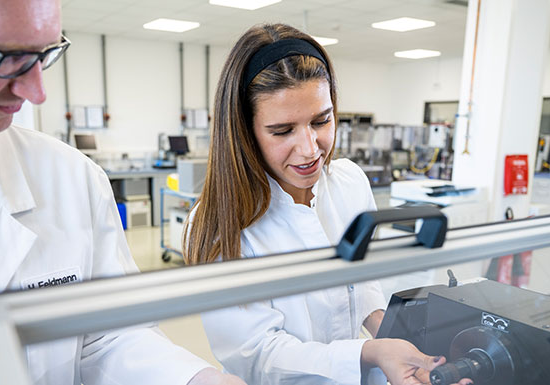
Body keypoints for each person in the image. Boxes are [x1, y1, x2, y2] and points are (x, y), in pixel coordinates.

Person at [0, 0, 246, 384]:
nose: (37, 92)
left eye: (45, 55)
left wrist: (195, 379)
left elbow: (111, 336)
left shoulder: (71, 178)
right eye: (6, 56)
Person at [183, 24, 472, 385]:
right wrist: (370, 352)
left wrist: (397, 340)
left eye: (322, 120)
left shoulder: (348, 182)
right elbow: (257, 354)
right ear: (244, 131)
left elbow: (361, 281)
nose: (309, 149)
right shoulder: (219, 222)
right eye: (282, 131)